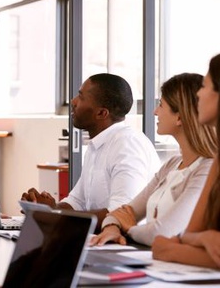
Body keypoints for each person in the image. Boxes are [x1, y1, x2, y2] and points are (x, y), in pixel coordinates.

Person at [89, 73, 216, 246]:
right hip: (154, 259)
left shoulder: (207, 168)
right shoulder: (172, 165)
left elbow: (162, 233)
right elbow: (122, 212)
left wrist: (129, 227)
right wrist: (112, 226)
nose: (155, 112)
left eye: (161, 105)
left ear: (179, 117)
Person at [21, 73, 161, 229]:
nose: (73, 102)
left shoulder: (127, 145)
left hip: (124, 245)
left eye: (81, 97)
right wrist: (46, 209)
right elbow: (77, 202)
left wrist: (56, 216)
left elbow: (120, 214)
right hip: (100, 241)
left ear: (102, 113)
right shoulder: (96, 145)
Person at [152, 54, 220, 269]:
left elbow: (166, 246)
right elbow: (189, 234)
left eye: (205, 86)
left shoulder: (207, 163)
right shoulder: (218, 160)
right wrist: (203, 238)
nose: (198, 94)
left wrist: (175, 248)